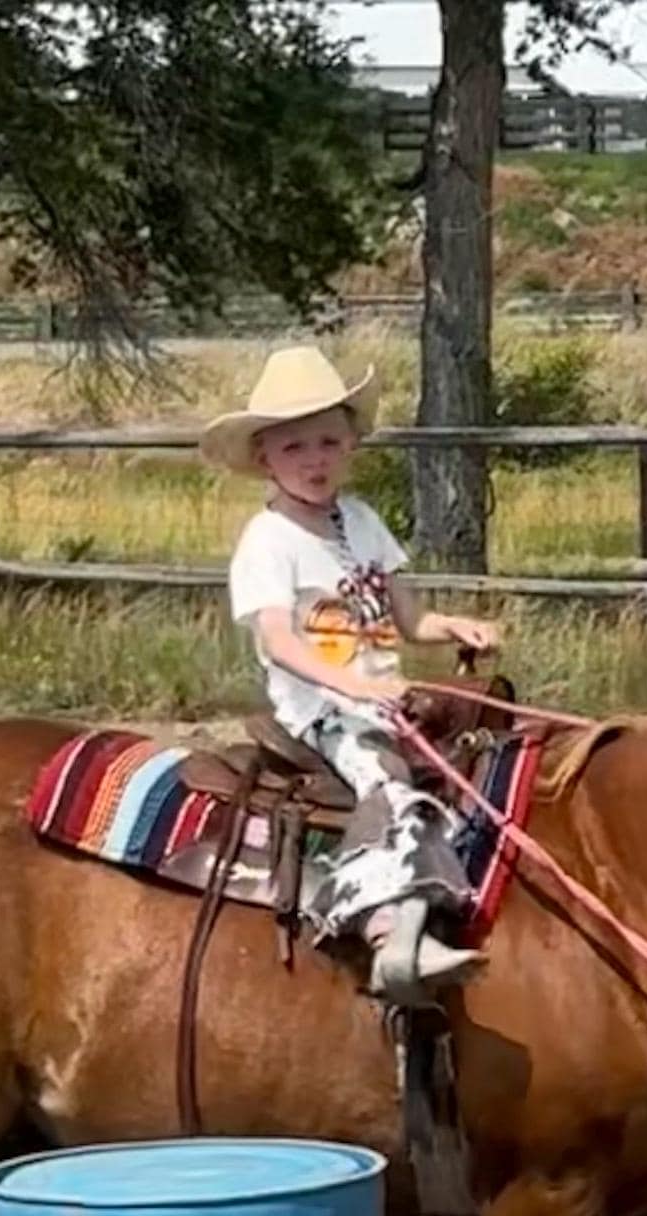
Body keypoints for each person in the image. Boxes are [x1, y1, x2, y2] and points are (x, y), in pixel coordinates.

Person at [200, 346, 501, 1006]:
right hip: (321, 708)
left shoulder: (361, 522)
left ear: (350, 446)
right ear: (265, 458)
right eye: (295, 447)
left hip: (383, 699)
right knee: (384, 780)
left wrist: (453, 626)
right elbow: (278, 641)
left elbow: (409, 618)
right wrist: (353, 687)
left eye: (329, 443)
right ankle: (384, 928)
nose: (315, 460)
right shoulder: (268, 541)